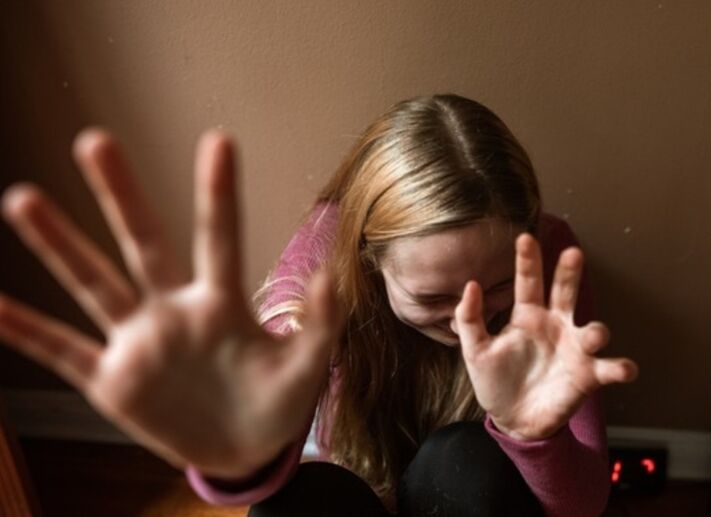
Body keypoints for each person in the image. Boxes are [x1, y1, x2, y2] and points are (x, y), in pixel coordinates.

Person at [0, 94, 639, 516]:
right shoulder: (322, 266)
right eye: (432, 296)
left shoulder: (548, 258)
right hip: (356, 486)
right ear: (371, 263)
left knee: (463, 462)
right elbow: (267, 466)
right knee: (302, 501)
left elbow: (582, 503)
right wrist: (244, 454)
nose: (467, 316)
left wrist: (533, 434)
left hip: (473, 495)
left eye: (496, 288)